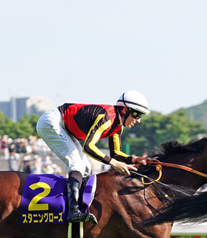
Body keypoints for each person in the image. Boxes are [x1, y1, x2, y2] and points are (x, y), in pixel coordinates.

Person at [36, 90, 150, 223]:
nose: (139, 120)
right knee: (76, 164)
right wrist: (114, 163)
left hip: (65, 127)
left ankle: (79, 205)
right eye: (137, 115)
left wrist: (135, 160)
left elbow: (115, 154)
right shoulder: (106, 118)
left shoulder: (118, 126)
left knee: (85, 166)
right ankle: (72, 211)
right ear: (125, 110)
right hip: (52, 122)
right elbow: (88, 147)